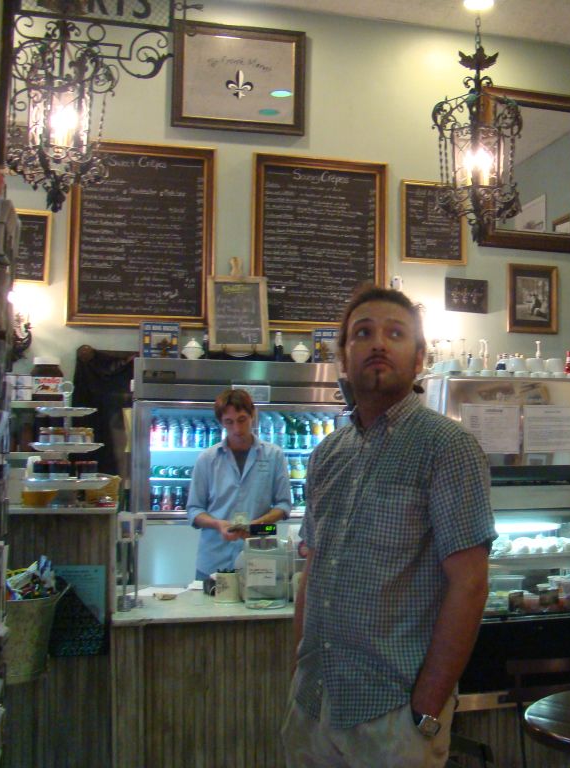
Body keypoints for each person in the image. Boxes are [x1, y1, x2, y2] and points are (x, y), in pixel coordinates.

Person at [282, 285, 495, 768]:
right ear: (343, 356)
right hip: (313, 706)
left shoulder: (447, 447)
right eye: (363, 333)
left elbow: (471, 584)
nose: (378, 343)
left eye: (395, 333)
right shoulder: (327, 456)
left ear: (419, 358)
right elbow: (313, 569)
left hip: (392, 716)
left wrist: (427, 709)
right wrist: (299, 671)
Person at [186, 388, 291, 580]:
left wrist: (258, 524)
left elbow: (283, 505)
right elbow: (194, 510)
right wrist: (218, 524)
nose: (237, 429)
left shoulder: (274, 456)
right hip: (213, 562)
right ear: (221, 423)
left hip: (259, 560)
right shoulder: (207, 459)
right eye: (229, 422)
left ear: (252, 415)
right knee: (207, 610)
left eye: (242, 420)